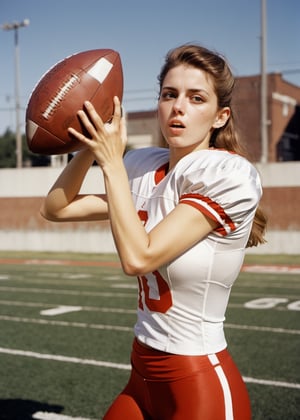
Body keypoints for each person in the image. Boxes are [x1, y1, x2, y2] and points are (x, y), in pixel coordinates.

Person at [41, 43, 267, 419]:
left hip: (198, 381)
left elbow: (139, 258)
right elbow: (56, 207)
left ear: (219, 117)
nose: (178, 107)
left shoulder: (229, 175)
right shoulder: (143, 165)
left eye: (196, 98)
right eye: (169, 94)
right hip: (142, 374)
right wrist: (91, 139)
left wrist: (111, 161)